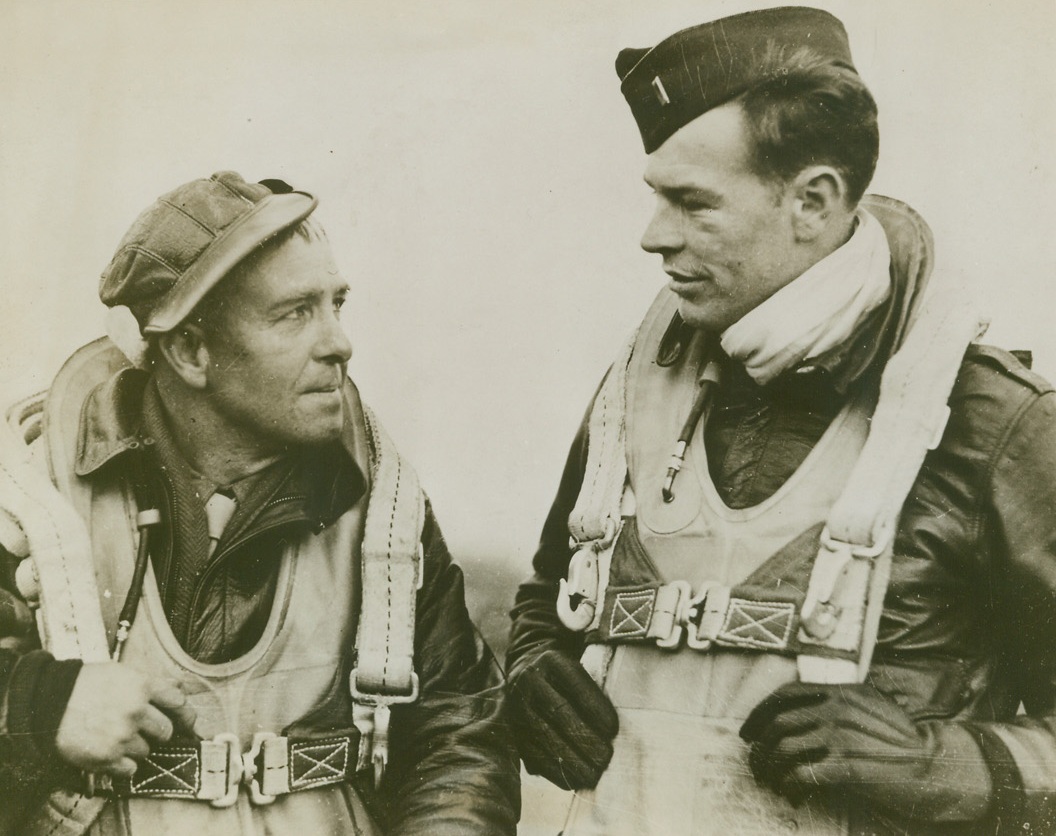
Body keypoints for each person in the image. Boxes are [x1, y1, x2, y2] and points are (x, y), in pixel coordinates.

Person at [506, 7, 1056, 835]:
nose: (654, 237)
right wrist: (533, 665)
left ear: (813, 201)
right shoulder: (632, 390)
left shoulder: (997, 424)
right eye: (657, 198)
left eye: (693, 203)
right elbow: (552, 594)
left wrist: (935, 764)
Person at [0, 171, 519, 835]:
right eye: (295, 313)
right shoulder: (35, 504)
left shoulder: (384, 513)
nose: (339, 343)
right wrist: (38, 707)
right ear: (191, 351)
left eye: (336, 305)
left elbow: (459, 736)